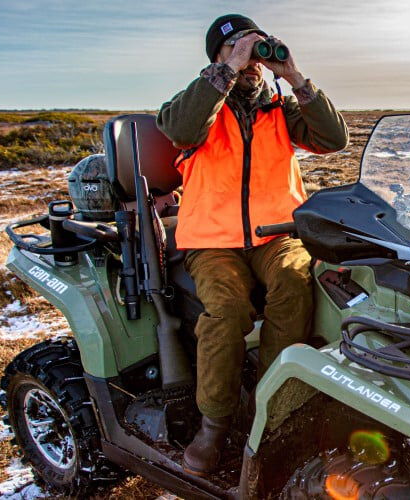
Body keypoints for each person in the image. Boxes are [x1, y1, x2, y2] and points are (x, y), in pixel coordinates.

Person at [156, 13, 348, 476]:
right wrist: (224, 73)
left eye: (255, 50)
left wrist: (295, 77)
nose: (250, 61)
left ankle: (270, 404)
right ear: (217, 59)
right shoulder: (198, 106)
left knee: (293, 283)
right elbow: (180, 130)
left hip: (275, 234)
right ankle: (214, 424)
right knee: (227, 309)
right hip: (211, 241)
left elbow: (333, 138)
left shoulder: (279, 108)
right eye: (237, 50)